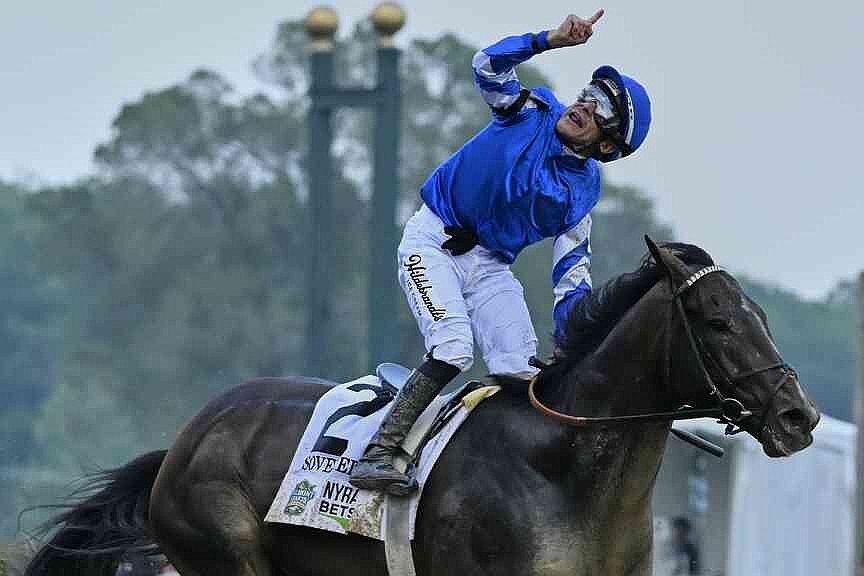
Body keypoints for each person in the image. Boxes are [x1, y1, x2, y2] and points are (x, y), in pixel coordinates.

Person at [350, 9, 652, 495]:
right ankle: (379, 452)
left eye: (602, 111)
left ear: (608, 144)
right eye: (590, 95)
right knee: (452, 347)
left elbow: (572, 278)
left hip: (490, 267)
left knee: (524, 370)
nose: (585, 107)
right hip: (433, 241)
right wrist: (549, 40)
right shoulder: (531, 110)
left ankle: (489, 470)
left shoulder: (582, 195)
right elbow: (487, 64)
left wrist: (575, 348)